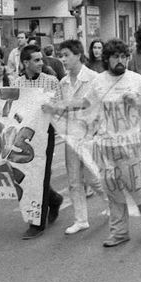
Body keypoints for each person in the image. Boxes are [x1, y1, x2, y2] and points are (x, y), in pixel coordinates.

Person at [85, 39, 141, 247]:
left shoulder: (137, 80)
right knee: (112, 189)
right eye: (116, 57)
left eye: (124, 57)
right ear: (107, 59)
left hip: (130, 143)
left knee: (135, 187)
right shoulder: (98, 81)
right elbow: (85, 103)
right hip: (106, 144)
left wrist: (137, 102)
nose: (120, 61)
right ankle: (119, 232)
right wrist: (59, 107)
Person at [48, 39, 105, 235]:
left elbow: (88, 104)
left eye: (66, 55)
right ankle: (81, 219)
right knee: (73, 180)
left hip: (90, 135)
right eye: (60, 55)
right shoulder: (63, 82)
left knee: (92, 177)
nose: (62, 59)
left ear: (78, 55)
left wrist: (60, 107)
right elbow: (62, 106)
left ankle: (113, 204)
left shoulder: (94, 78)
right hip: (70, 135)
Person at [12, 45, 65, 239]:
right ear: (25, 62)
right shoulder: (17, 82)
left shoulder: (51, 81)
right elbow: (13, 109)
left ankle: (37, 224)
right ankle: (54, 199)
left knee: (40, 175)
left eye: (41, 59)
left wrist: (50, 107)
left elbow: (60, 107)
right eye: (36, 60)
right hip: (25, 135)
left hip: (46, 134)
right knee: (27, 175)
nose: (41, 63)